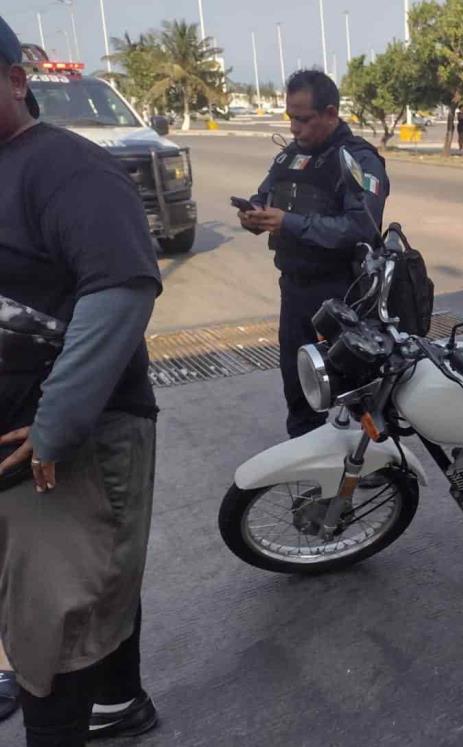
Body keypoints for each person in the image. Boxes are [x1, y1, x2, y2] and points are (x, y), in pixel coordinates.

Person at [0, 15, 161, 744]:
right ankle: (120, 697)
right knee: (64, 611)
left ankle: (93, 707)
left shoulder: (65, 166)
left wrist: (56, 425)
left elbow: (121, 287)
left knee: (59, 632)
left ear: (15, 79)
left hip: (63, 448)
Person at [240, 69, 389, 438]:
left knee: (359, 391)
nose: (294, 128)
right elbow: (267, 194)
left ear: (331, 114)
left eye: (303, 119)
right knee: (300, 386)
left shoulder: (358, 161)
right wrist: (255, 215)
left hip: (343, 295)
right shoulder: (289, 157)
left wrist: (288, 223)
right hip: (295, 291)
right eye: (290, 118)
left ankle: (375, 468)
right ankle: (310, 470)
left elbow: (361, 227)